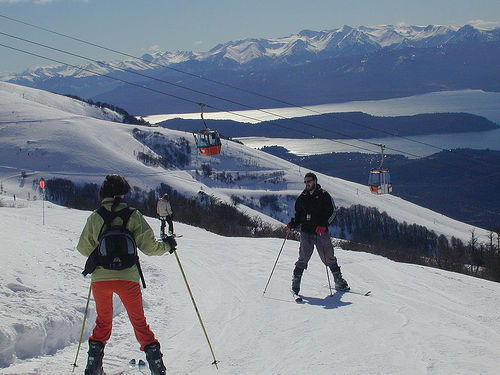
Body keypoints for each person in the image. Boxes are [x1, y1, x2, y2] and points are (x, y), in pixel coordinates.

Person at [77, 174, 177, 375]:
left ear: (104, 193)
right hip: (128, 278)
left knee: (103, 322)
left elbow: (83, 247)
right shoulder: (133, 216)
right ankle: (157, 367)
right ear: (123, 193)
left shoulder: (96, 217)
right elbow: (149, 247)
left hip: (101, 280)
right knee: (139, 323)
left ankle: (93, 367)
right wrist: (168, 245)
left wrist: (100, 256)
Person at [287, 172, 349, 294]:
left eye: (309, 181)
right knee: (303, 257)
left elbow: (333, 212)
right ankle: (296, 282)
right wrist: (293, 223)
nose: (307, 184)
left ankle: (338, 280)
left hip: (321, 233)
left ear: (315, 181)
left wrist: (324, 225)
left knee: (328, 257)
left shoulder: (324, 195)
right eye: (305, 182)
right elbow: (299, 215)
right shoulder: (302, 197)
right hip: (306, 232)